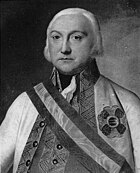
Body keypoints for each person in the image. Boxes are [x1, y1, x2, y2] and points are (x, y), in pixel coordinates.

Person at [0, 8, 140, 173]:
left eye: (76, 37)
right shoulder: (25, 103)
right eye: (56, 37)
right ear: (48, 45)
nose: (64, 48)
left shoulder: (127, 103)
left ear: (94, 43)